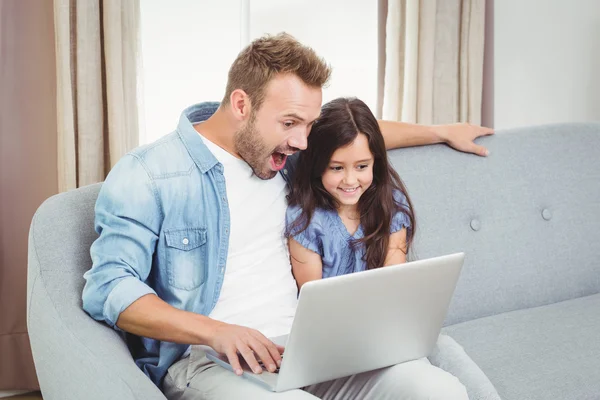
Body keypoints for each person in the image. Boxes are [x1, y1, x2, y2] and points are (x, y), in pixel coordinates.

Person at [82, 33, 491, 399]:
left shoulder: (289, 157)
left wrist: (439, 131)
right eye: (290, 122)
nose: (301, 141)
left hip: (311, 350)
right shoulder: (149, 174)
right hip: (210, 361)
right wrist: (216, 331)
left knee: (437, 390)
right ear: (241, 104)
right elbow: (109, 288)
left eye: (309, 125)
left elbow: (354, 136)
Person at [286, 97, 415, 290]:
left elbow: (394, 285)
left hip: (381, 311)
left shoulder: (391, 204)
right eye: (336, 168)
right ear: (317, 166)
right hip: (330, 316)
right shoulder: (305, 220)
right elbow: (315, 300)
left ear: (375, 163)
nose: (350, 180)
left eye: (362, 166)